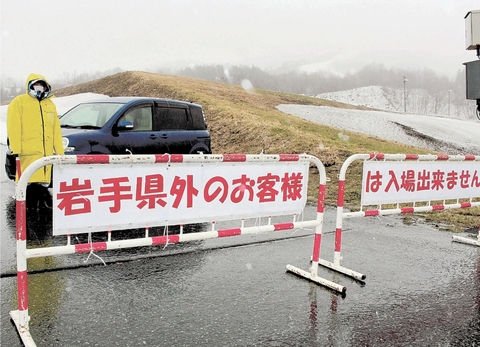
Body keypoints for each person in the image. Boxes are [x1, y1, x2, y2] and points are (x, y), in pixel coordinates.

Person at [7, 73, 65, 211]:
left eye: (42, 85)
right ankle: (26, 219)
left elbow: (56, 131)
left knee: (43, 188)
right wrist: (15, 149)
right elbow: (13, 126)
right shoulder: (19, 102)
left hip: (46, 155)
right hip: (28, 154)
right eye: (36, 85)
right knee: (27, 186)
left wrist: (60, 152)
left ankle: (40, 219)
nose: (39, 88)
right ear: (30, 86)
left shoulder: (50, 105)